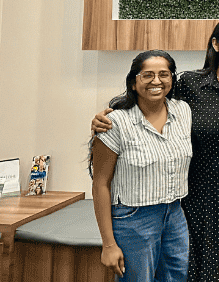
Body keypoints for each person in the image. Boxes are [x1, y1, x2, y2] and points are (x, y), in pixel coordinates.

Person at [94, 16, 219, 282]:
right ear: (215, 44)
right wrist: (109, 114)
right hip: (199, 197)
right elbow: (153, 99)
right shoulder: (189, 84)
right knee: (194, 270)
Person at [90, 50, 192, 282]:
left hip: (174, 214)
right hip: (133, 218)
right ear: (134, 83)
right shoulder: (114, 122)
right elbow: (100, 184)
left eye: (163, 74)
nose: (156, 81)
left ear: (171, 80)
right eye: (147, 75)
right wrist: (108, 244)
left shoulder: (183, 111)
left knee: (177, 277)